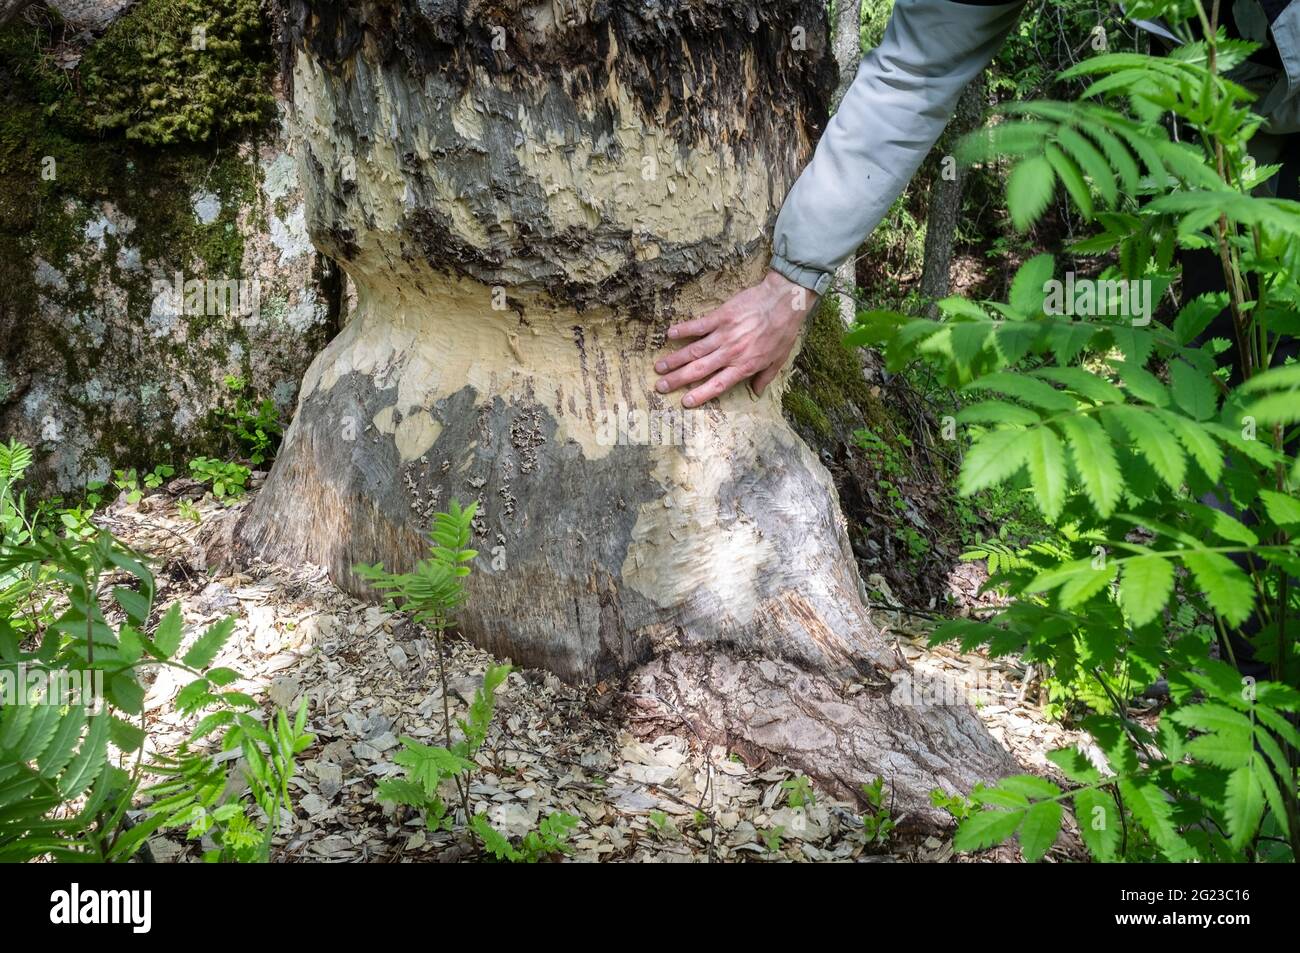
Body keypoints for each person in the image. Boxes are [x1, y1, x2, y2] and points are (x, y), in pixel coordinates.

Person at [653, 0, 1300, 408]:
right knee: (1253, 411)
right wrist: (789, 285)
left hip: (1240, 130)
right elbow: (916, 71)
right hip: (1232, 146)